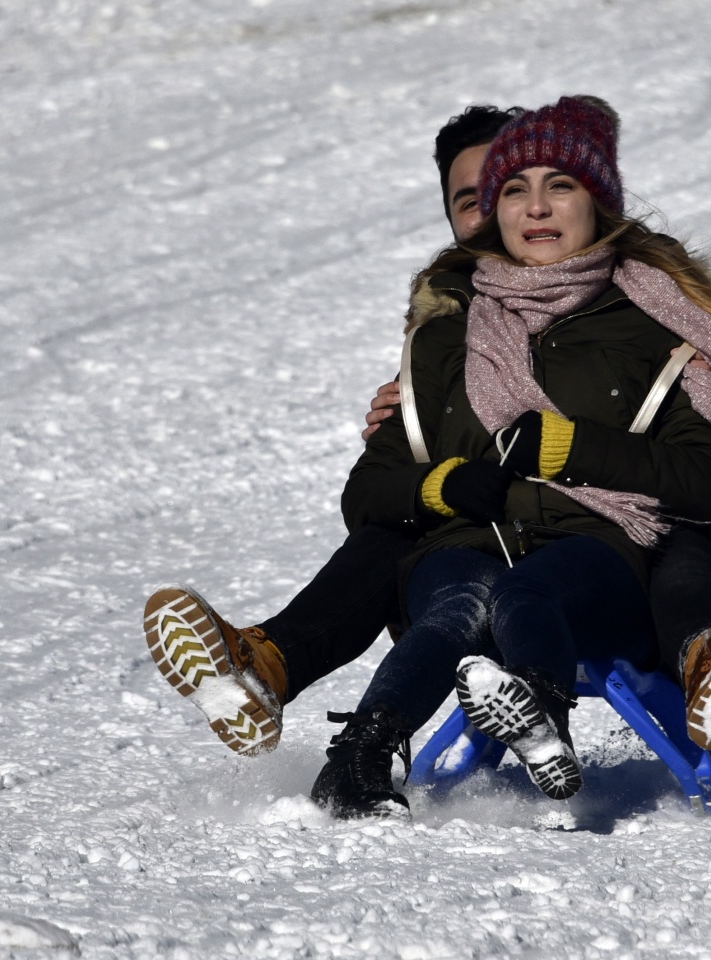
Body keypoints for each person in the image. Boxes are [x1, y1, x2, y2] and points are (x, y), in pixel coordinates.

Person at [308, 96, 711, 819]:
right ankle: (357, 751)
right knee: (460, 599)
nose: (529, 209)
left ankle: (705, 667)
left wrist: (572, 447)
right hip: (485, 542)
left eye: (559, 186)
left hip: (612, 550)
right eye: (505, 193)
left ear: (599, 202)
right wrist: (431, 463)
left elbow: (700, 476)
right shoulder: (453, 327)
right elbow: (381, 480)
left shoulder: (646, 318)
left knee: (618, 569)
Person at [141, 105, 525, 756]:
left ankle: (280, 672)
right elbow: (376, 492)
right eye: (468, 201)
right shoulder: (447, 318)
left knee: (411, 528)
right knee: (391, 527)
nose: (489, 214)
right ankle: (266, 668)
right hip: (469, 552)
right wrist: (408, 431)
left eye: (507, 190)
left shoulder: (607, 298)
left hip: (575, 557)